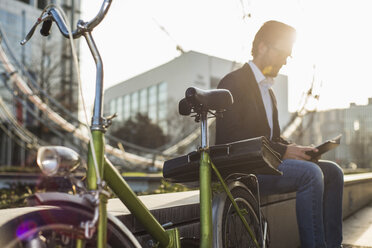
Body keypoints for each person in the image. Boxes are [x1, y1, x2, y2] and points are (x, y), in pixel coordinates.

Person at [215, 20, 344, 248]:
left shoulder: (269, 92)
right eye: (284, 53)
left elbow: (272, 138)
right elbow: (231, 138)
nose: (285, 61)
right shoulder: (232, 83)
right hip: (245, 170)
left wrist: (300, 150)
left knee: (333, 171)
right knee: (310, 175)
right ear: (263, 47)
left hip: (268, 164)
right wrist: (284, 151)